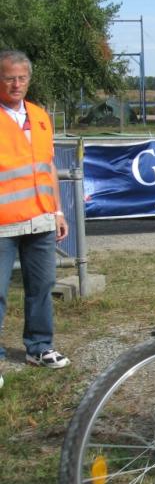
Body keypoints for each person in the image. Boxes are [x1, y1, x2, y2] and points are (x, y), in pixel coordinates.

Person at [0, 50, 70, 368]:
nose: (16, 84)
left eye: (22, 78)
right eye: (9, 78)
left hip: (40, 219)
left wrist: (58, 211)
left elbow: (48, 166)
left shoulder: (40, 116)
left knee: (41, 287)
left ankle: (39, 347)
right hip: (3, 223)